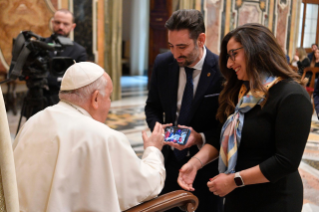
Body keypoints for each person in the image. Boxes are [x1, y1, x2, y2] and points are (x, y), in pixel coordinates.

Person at [177, 23, 312, 212]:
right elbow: (219, 137)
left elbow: (285, 161)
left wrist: (234, 180)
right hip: (238, 195)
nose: (230, 64)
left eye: (234, 54)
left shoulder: (291, 95)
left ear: (255, 49)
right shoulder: (240, 91)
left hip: (274, 199)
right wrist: (194, 163)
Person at [13, 62, 166, 212]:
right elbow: (145, 186)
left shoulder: (33, 122)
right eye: (109, 96)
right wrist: (153, 150)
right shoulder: (104, 137)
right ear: (96, 98)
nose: (110, 103)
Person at [145, 9, 223, 212]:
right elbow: (152, 107)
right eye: (171, 46)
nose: (175, 54)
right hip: (168, 160)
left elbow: (225, 126)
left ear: (201, 39)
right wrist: (160, 132)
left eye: (182, 47)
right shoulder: (163, 64)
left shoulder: (223, 71)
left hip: (206, 167)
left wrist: (199, 138)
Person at [44, 9, 87, 107]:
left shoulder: (79, 51)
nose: (61, 27)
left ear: (73, 26)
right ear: (52, 22)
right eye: (57, 22)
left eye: (65, 24)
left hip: (66, 103)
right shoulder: (40, 45)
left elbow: (79, 80)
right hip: (38, 101)